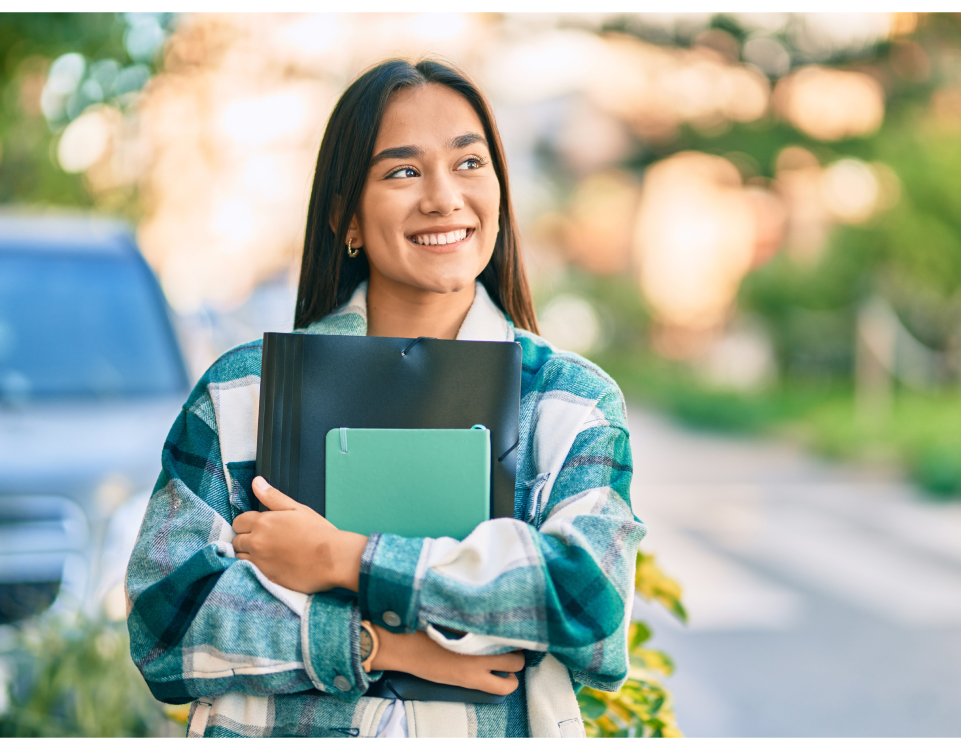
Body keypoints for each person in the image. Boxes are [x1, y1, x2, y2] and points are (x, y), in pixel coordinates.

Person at [126, 58, 645, 738]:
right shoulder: (243, 393)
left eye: (469, 164)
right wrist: (376, 645)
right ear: (346, 215)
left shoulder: (567, 403)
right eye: (403, 171)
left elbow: (586, 604)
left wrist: (342, 558)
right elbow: (166, 626)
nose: (443, 198)